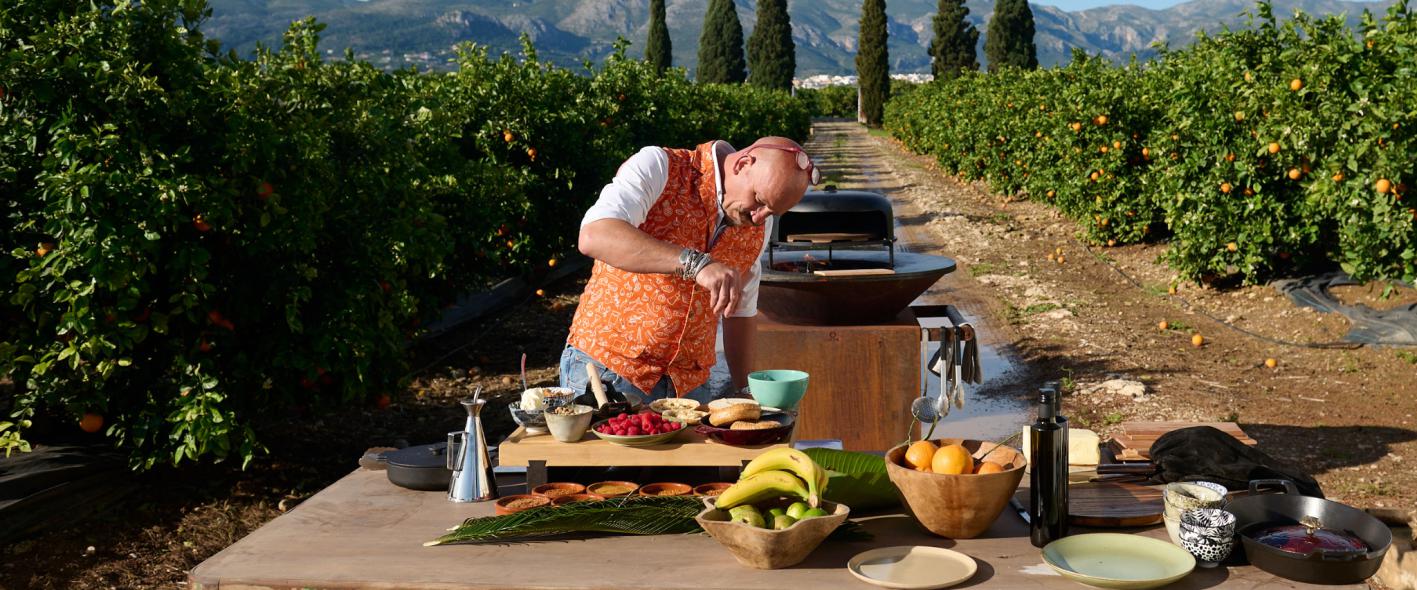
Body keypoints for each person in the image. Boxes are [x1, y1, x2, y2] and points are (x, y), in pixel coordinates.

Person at [560, 137, 818, 405]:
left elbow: (740, 312)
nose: (759, 218)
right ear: (743, 164)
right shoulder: (660, 166)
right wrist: (696, 263)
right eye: (759, 200)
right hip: (609, 373)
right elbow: (594, 235)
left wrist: (746, 392)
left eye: (772, 212)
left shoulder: (759, 226)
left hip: (689, 388)